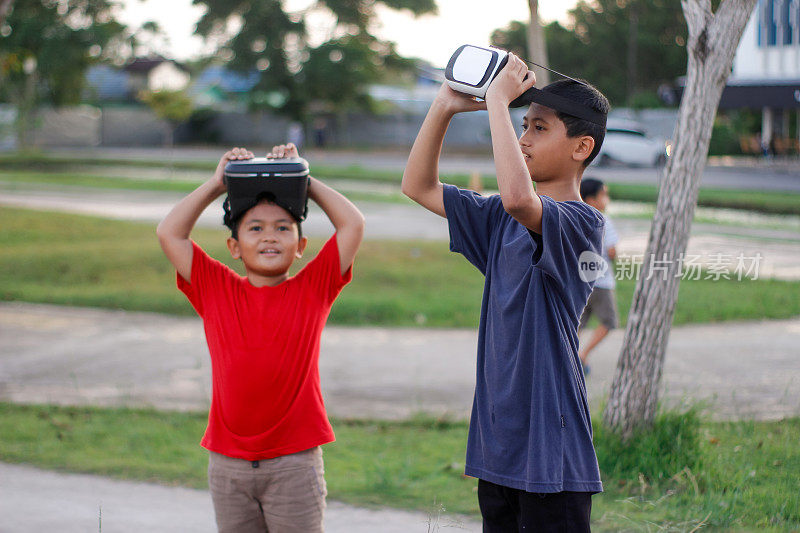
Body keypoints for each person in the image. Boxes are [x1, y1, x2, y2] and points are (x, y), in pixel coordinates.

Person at [401, 54, 608, 532]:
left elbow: (520, 199)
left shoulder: (581, 223)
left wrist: (497, 100)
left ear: (582, 146)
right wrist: (444, 106)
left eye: (539, 128)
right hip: (500, 447)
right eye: (524, 125)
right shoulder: (498, 220)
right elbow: (418, 185)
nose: (523, 137)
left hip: (551, 459)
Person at [156, 143, 365, 533]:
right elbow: (170, 232)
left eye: (283, 228)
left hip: (294, 464)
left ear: (301, 247)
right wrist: (217, 184)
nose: (270, 236)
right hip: (227, 465)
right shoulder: (214, 288)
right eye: (256, 228)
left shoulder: (313, 289)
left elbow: (352, 225)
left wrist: (302, 176)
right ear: (234, 247)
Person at [578, 177, 619, 376]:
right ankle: (582, 355)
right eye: (603, 194)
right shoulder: (603, 220)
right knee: (609, 321)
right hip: (601, 282)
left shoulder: (576, 217)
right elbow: (611, 251)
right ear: (591, 199)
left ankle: (566, 355)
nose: (606, 199)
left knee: (577, 322)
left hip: (579, 281)